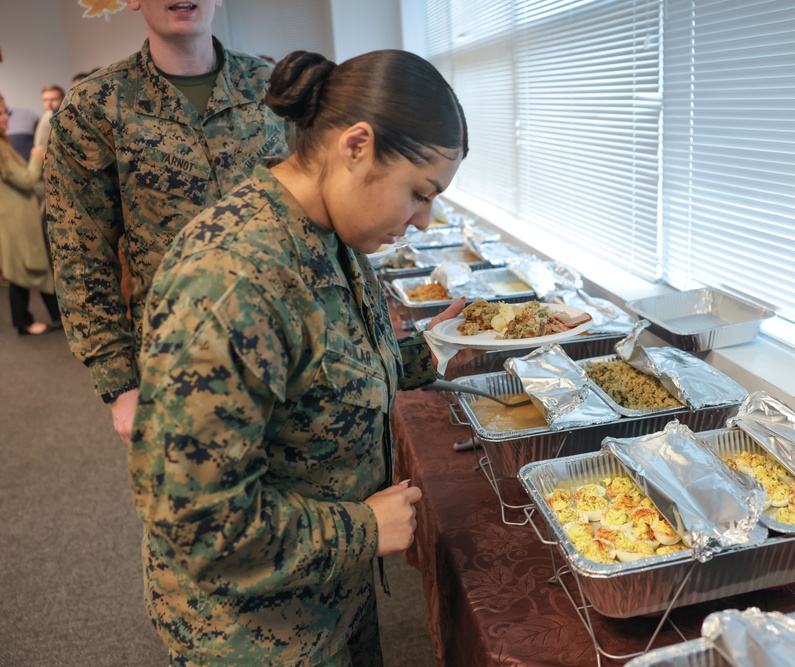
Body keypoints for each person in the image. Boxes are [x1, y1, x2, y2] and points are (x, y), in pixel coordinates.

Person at [130, 49, 468, 666]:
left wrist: (448, 346)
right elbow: (197, 524)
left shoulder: (326, 233)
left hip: (329, 590)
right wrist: (365, 530)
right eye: (420, 194)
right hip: (255, 633)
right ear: (357, 146)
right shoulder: (229, 281)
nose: (425, 221)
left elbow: (334, 368)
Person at [45, 0, 288, 445]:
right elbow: (80, 253)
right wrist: (119, 385)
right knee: (202, 511)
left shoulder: (271, 89)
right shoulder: (95, 107)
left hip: (288, 345)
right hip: (179, 366)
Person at [0, 96, 61, 335]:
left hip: (16, 215)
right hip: (16, 217)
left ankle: (54, 316)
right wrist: (37, 157)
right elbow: (26, 180)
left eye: (6, 112)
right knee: (25, 268)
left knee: (31, 267)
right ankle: (24, 321)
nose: (6, 117)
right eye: (1, 113)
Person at [33, 84, 65, 155]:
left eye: (53, 99)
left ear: (63, 99)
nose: (49, 103)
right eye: (45, 100)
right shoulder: (42, 120)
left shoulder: (68, 120)